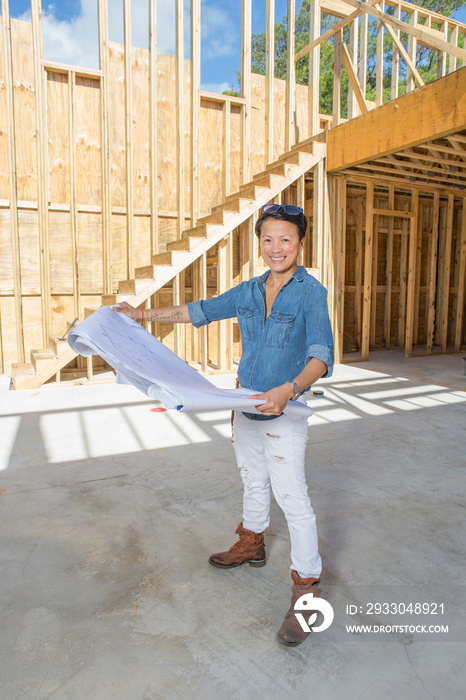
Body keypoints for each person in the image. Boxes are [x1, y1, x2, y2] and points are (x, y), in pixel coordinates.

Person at [113, 204, 334, 646]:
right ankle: (251, 543)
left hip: (284, 410)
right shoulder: (250, 291)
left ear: (301, 244)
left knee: (293, 498)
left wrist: (288, 389)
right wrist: (141, 316)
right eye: (267, 239)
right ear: (260, 244)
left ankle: (307, 591)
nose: (276, 248)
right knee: (252, 480)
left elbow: (322, 355)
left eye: (285, 239)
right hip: (244, 402)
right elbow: (199, 310)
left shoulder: (310, 292)